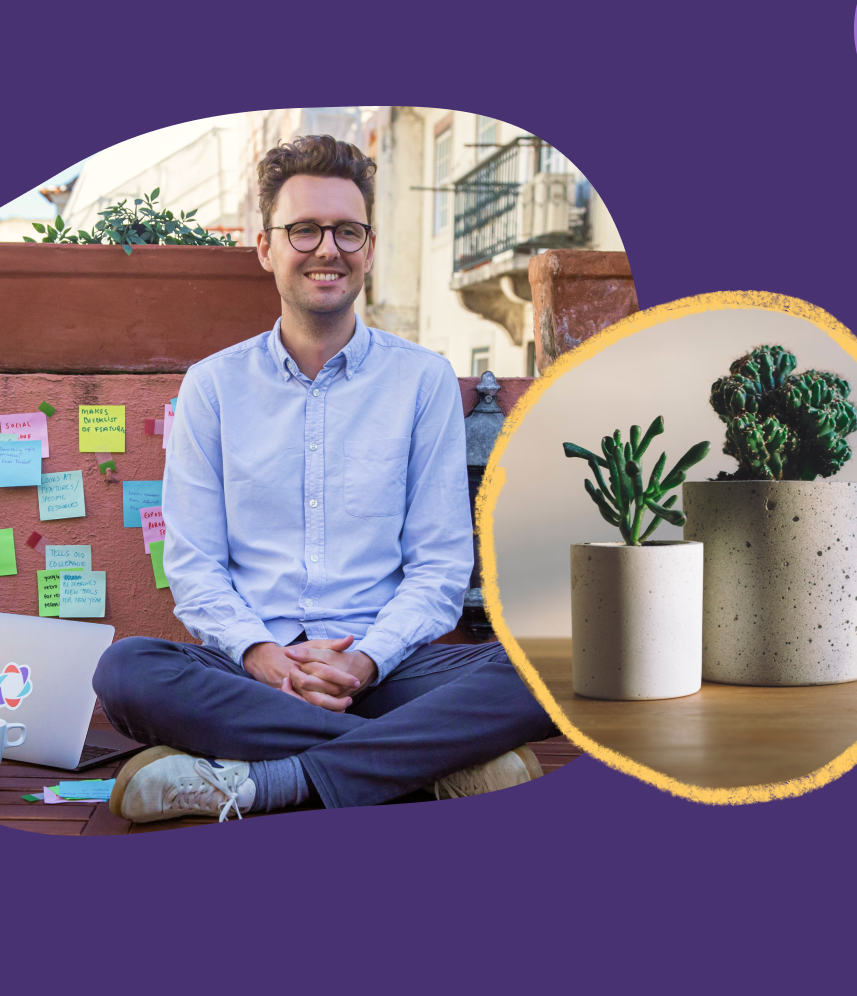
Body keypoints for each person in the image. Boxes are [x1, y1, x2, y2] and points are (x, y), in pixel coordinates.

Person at [94, 134, 557, 823]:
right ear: (265, 247)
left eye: (347, 231)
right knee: (126, 672)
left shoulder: (421, 380)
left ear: (368, 248)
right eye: (304, 230)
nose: (327, 249)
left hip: (390, 671)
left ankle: (269, 782)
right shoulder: (213, 387)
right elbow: (194, 565)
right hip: (251, 676)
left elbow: (438, 565)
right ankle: (427, 766)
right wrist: (264, 657)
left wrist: (364, 661)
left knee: (559, 667)